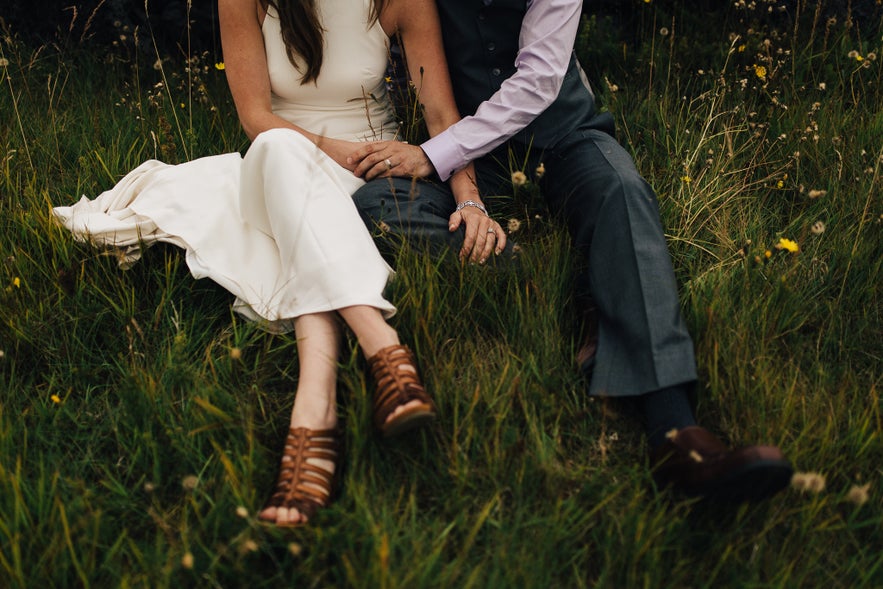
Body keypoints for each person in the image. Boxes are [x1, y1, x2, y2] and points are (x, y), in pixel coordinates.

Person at [52, 0, 507, 526]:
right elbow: (256, 117)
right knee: (277, 148)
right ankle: (382, 350)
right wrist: (330, 149)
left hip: (371, 173)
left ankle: (314, 418)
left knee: (290, 195)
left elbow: (441, 116)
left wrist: (470, 200)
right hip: (280, 165)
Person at [348, 0, 794, 501]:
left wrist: (435, 154)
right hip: (479, 157)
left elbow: (539, 80)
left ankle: (675, 432)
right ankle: (562, 280)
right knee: (379, 204)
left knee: (622, 193)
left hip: (567, 134)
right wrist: (451, 170)